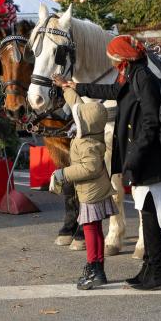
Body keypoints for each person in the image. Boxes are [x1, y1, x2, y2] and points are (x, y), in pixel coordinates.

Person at [53, 35, 161, 291]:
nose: (112, 62)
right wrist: (76, 86)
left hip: (149, 160)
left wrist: (134, 157)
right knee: (147, 212)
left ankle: (159, 273)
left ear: (122, 58)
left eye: (113, 57)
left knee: (151, 217)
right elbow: (112, 92)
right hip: (144, 159)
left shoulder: (141, 77)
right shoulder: (133, 74)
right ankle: (149, 268)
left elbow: (151, 122)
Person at [49, 83, 117, 290]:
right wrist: (65, 86)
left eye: (78, 119)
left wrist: (62, 173)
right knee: (93, 229)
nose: (75, 119)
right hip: (92, 191)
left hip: (91, 192)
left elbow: (90, 168)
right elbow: (77, 104)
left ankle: (94, 267)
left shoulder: (88, 143)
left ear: (85, 123)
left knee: (90, 230)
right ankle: (96, 267)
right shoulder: (91, 130)